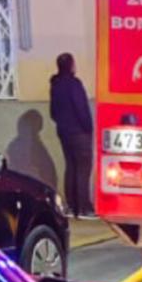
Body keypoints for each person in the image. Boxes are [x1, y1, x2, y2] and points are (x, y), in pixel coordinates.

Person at [49, 52, 94, 216]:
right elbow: (81, 109)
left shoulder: (55, 85)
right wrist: (88, 128)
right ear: (71, 65)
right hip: (79, 133)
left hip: (64, 133)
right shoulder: (74, 84)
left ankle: (72, 205)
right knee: (83, 168)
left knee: (71, 167)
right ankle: (84, 207)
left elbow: (53, 113)